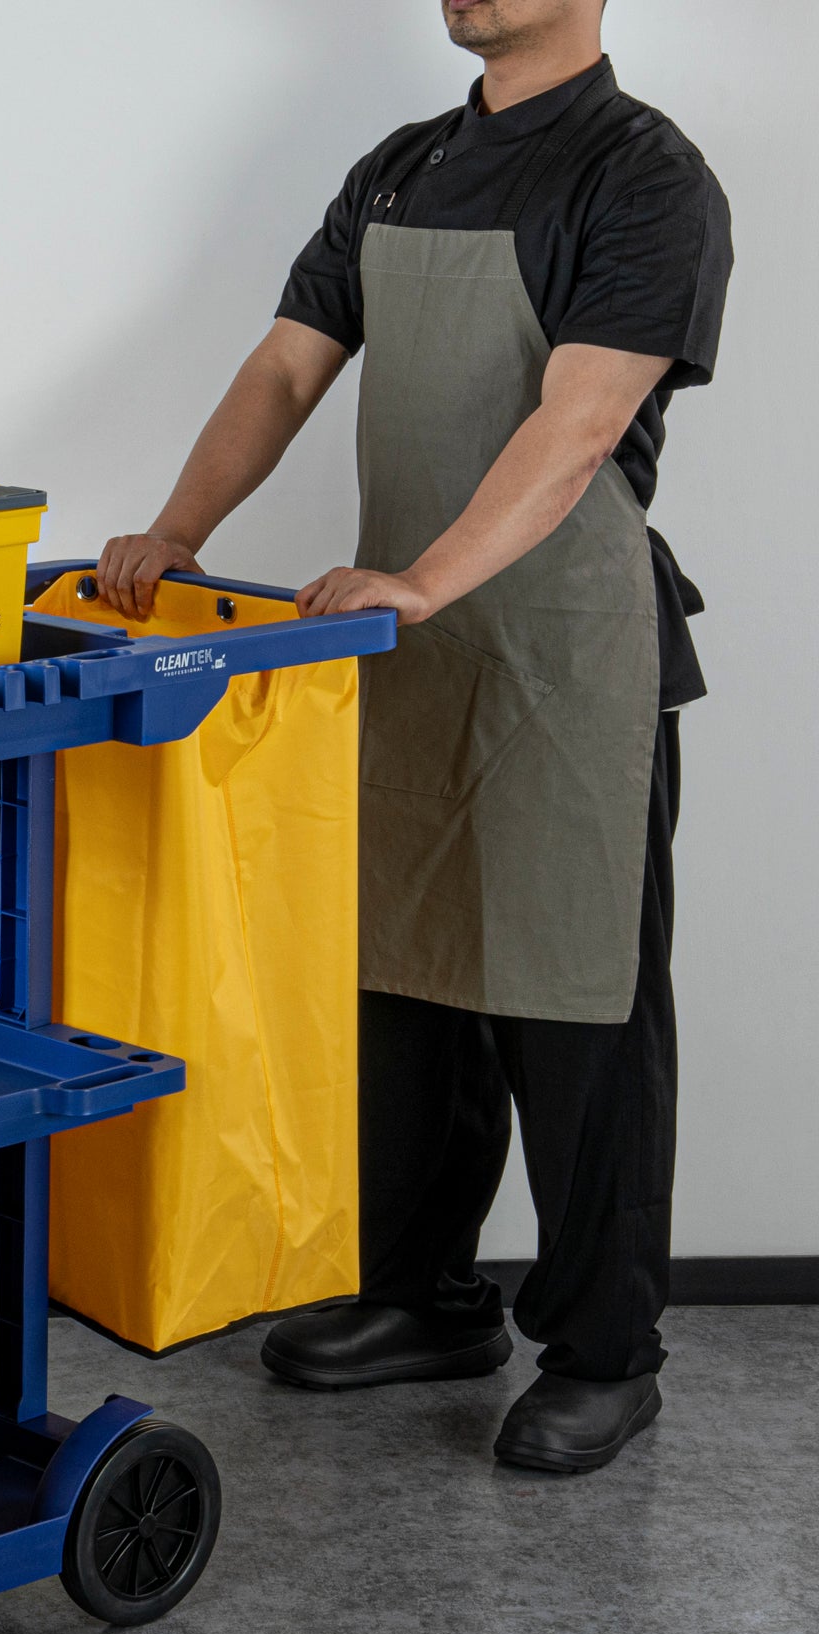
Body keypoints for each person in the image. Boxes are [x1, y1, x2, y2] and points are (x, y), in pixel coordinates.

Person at [96, 0, 732, 1473]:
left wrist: (427, 580)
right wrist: (177, 533)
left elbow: (581, 421)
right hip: (406, 649)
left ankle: (605, 1354)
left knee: (578, 1012)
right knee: (403, 990)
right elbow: (284, 369)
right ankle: (422, 1298)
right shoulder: (397, 168)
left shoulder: (646, 173)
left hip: (567, 660)